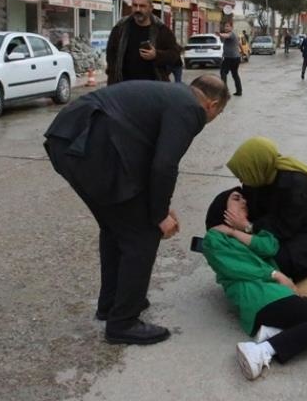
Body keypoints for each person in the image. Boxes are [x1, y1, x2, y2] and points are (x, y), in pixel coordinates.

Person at [43, 75, 230, 345]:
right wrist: (159, 215)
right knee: (142, 234)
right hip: (91, 146)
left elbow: (148, 161)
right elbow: (164, 164)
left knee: (115, 227)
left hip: (70, 138)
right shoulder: (191, 109)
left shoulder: (170, 95)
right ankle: (124, 322)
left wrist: (160, 206)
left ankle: (112, 303)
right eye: (219, 113)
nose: (214, 118)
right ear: (212, 105)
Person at [203, 188, 307, 380]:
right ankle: (261, 351)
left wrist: (240, 229)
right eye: (236, 199)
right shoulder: (213, 239)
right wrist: (275, 274)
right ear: (221, 208)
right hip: (259, 298)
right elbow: (234, 268)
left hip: (280, 294)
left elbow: (270, 246)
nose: (244, 201)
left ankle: (276, 333)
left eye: (244, 198)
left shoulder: (244, 233)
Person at [224, 137, 307, 282]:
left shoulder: (297, 185)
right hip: (280, 233)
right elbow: (250, 202)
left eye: (243, 174)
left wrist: (247, 227)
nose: (241, 180)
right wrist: (234, 200)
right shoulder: (259, 176)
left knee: (252, 261)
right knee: (233, 248)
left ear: (257, 166)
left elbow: (284, 227)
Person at [105, 0, 181, 85]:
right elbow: (111, 55)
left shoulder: (162, 30)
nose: (138, 9)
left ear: (151, 8)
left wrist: (156, 55)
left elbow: (175, 54)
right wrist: (112, 79)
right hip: (124, 87)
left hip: (153, 88)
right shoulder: (120, 28)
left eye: (142, 6)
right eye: (135, 5)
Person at [217, 22, 243, 96]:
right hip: (235, 57)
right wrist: (242, 52)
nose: (226, 28)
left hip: (230, 58)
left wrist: (220, 34)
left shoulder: (231, 34)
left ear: (231, 27)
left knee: (223, 73)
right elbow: (239, 44)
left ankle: (224, 92)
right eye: (225, 26)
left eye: (227, 26)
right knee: (235, 74)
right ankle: (239, 91)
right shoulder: (235, 35)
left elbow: (226, 35)